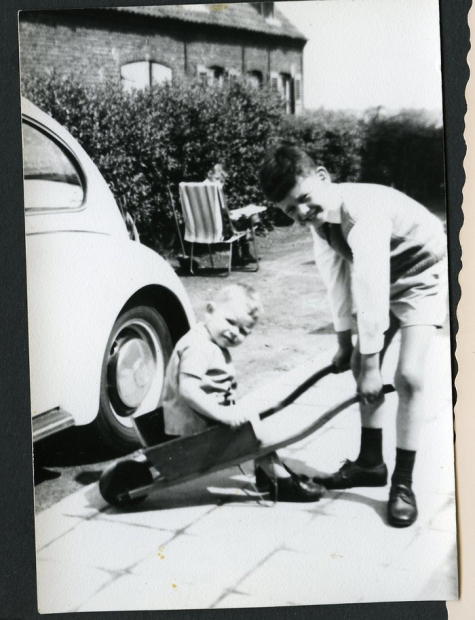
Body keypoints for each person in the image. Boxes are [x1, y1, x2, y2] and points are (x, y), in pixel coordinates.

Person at [258, 144, 448, 527]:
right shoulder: (321, 225)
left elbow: (371, 285)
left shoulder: (364, 213)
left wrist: (372, 365)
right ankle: (370, 463)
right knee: (361, 363)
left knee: (408, 377)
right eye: (289, 210)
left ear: (324, 177)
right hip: (385, 280)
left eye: (304, 200)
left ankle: (404, 483)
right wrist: (345, 345)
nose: (300, 213)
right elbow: (337, 282)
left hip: (423, 276)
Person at [162, 283, 325, 502]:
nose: (234, 333)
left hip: (199, 418)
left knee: (253, 422)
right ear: (210, 311)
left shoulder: (208, 340)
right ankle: (282, 481)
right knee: (256, 433)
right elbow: (188, 390)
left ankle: (271, 474)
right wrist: (224, 415)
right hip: (190, 426)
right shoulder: (198, 347)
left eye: (243, 331)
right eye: (230, 322)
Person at [206, 163, 257, 265]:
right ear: (209, 174)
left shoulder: (193, 189)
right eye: (218, 178)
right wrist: (230, 215)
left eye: (221, 180)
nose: (219, 182)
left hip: (201, 230)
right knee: (245, 219)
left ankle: (239, 255)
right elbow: (224, 209)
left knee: (236, 221)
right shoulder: (215, 188)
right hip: (219, 229)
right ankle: (241, 254)